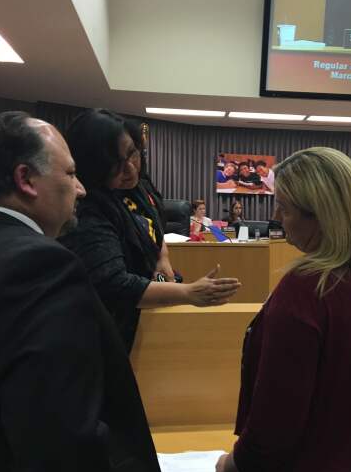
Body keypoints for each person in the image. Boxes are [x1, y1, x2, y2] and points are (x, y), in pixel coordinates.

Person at [0, 111, 164, 472]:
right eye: (69, 174)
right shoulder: (40, 266)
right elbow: (60, 438)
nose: (80, 188)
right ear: (26, 179)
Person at [215, 147, 351, 472]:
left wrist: (231, 467)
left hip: (311, 467)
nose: (276, 217)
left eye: (285, 208)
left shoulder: (306, 289)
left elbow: (276, 420)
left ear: (320, 215)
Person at [59, 109, 240, 352]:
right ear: (92, 166)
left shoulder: (139, 186)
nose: (131, 169)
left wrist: (161, 256)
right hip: (110, 332)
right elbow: (114, 285)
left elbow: (154, 225)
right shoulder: (88, 209)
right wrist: (187, 292)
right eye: (115, 163)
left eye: (132, 153)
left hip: (149, 305)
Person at [124, 120, 175, 280]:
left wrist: (163, 255)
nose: (132, 165)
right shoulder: (104, 198)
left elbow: (154, 221)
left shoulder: (143, 186)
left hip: (151, 272)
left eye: (138, 154)